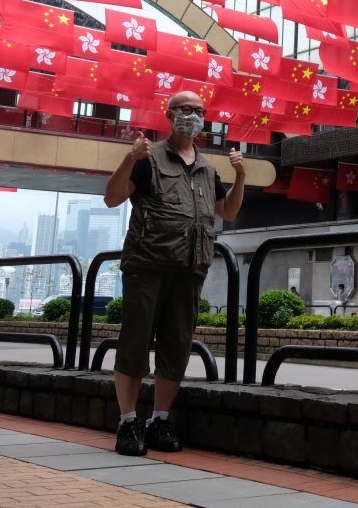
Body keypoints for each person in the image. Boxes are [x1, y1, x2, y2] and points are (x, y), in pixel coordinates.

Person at [104, 89, 245, 456]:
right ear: (169, 114)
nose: (193, 116)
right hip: (147, 266)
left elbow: (226, 213)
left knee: (177, 347)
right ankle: (128, 423)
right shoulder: (148, 158)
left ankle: (159, 421)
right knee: (134, 345)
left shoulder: (207, 168)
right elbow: (112, 197)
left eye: (199, 111)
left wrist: (241, 176)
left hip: (189, 269)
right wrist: (128, 158)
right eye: (185, 109)